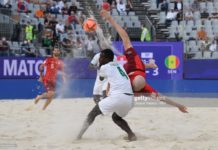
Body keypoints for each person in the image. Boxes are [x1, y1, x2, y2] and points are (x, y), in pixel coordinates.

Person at [100, 9, 188, 113]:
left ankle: (150, 65)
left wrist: (178, 106)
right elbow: (163, 98)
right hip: (134, 70)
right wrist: (178, 106)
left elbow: (125, 38)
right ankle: (150, 65)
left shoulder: (130, 81)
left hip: (129, 77)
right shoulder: (139, 74)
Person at [77, 49, 136, 141]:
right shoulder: (120, 65)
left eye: (101, 57)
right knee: (116, 118)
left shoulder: (104, 67)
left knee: (92, 114)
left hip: (118, 97)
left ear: (106, 58)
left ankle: (78, 136)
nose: (99, 59)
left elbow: (101, 77)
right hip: (130, 100)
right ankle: (131, 134)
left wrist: (100, 65)